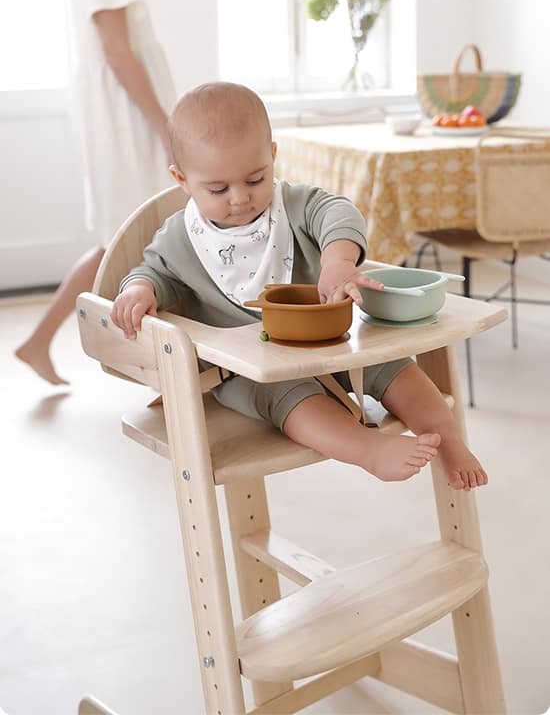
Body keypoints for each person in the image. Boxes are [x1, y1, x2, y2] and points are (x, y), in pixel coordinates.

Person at [111, 81, 488, 490]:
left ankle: (449, 440)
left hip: (334, 340)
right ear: (182, 179)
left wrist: (338, 260)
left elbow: (338, 213)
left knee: (395, 368)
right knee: (295, 402)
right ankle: (368, 449)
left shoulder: (293, 204)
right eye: (218, 189)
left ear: (272, 157)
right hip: (252, 371)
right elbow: (153, 272)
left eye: (256, 179)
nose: (240, 198)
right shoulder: (179, 237)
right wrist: (139, 291)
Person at [15, 0, 176, 385]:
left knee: (135, 235)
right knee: (136, 234)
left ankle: (41, 340)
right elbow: (117, 52)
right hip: (127, 119)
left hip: (123, 112)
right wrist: (166, 128)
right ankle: (161, 369)